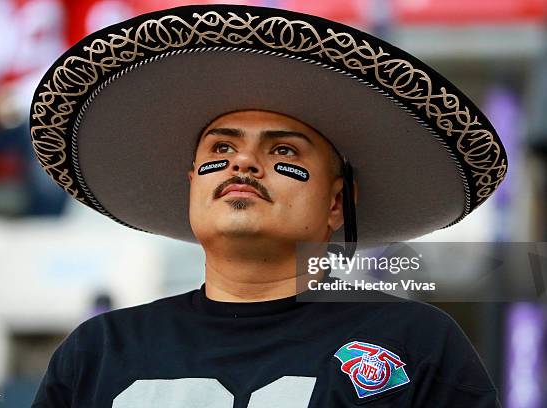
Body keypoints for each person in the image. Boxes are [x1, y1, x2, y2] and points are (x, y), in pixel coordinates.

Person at [29, 4, 507, 407]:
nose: (243, 163)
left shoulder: (417, 345)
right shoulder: (97, 354)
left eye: (283, 152)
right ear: (192, 182)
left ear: (336, 202)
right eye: (220, 149)